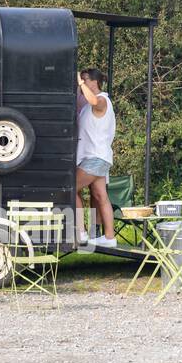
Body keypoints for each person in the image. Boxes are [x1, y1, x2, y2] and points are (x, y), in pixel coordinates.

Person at [75, 68, 117, 248]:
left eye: (85, 80)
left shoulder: (101, 100)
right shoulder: (87, 107)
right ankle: (109, 237)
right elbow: (81, 103)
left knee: (70, 189)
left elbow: (92, 99)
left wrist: (80, 83)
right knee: (101, 196)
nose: (82, 83)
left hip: (95, 157)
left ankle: (81, 232)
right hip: (98, 157)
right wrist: (78, 87)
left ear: (94, 82)